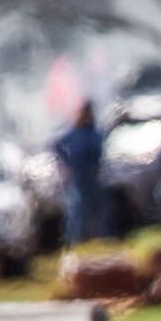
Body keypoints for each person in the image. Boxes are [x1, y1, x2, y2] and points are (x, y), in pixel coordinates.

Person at [54, 97, 107, 247]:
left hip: (92, 174)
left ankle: (99, 237)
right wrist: (64, 165)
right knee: (76, 208)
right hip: (77, 174)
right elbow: (57, 146)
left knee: (96, 208)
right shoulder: (73, 133)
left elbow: (99, 150)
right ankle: (74, 240)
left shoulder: (94, 132)